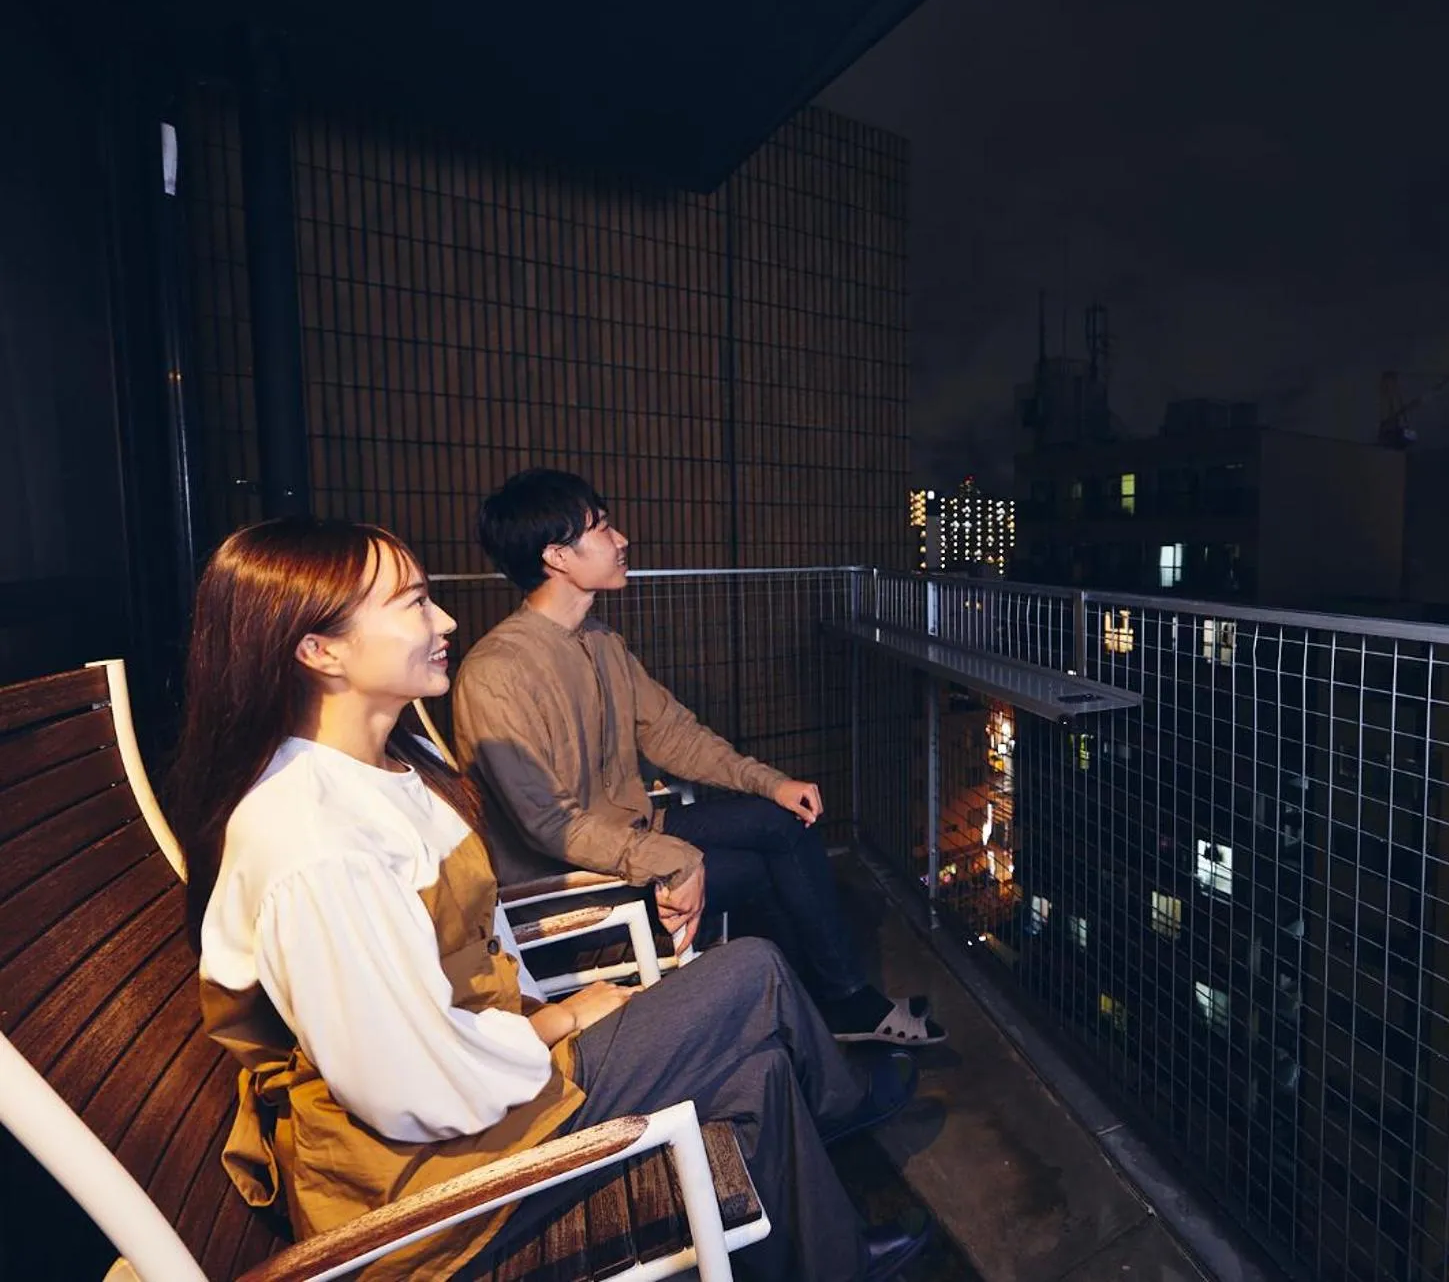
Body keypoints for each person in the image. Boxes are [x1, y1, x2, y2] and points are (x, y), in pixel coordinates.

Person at [165, 518, 928, 1282]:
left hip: (478, 1080)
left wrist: (542, 1016)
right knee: (750, 972)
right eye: (414, 603)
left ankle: (839, 1256)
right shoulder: (313, 842)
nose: (446, 621)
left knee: (756, 1070)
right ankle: (843, 1100)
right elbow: (408, 1087)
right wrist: (558, 1019)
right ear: (319, 649)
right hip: (435, 1177)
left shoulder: (391, 764)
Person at [453, 469, 944, 1045]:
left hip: (629, 830)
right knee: (760, 873)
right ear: (558, 556)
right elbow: (546, 825)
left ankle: (836, 1002)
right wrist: (670, 856)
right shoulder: (496, 673)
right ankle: (812, 1013)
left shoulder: (601, 641)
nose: (622, 540)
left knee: (785, 821)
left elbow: (673, 735)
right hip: (567, 875)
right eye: (603, 527)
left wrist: (770, 783)